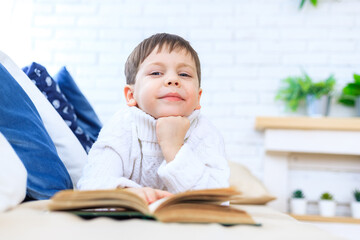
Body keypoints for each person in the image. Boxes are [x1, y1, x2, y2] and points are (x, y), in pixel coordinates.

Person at [77, 33, 230, 204]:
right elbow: (91, 185)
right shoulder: (121, 126)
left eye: (184, 74)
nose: (173, 80)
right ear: (131, 95)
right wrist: (128, 193)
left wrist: (174, 149)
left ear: (198, 98)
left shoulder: (206, 132)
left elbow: (219, 200)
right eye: (156, 73)